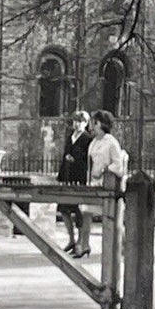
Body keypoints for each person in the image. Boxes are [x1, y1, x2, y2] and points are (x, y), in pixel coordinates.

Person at [75, 109, 127, 258]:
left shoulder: (111, 142)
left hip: (107, 184)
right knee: (86, 212)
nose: (93, 126)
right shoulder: (94, 142)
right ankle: (84, 245)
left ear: (103, 124)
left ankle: (123, 244)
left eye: (96, 123)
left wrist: (104, 170)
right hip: (93, 182)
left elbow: (118, 165)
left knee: (110, 216)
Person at [56, 109, 93, 256]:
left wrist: (76, 160)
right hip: (67, 176)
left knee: (79, 211)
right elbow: (64, 155)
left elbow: (87, 160)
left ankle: (80, 242)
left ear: (85, 123)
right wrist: (60, 176)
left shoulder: (87, 138)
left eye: (80, 121)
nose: (77, 124)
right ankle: (70, 239)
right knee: (64, 209)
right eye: (75, 121)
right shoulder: (69, 137)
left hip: (79, 177)